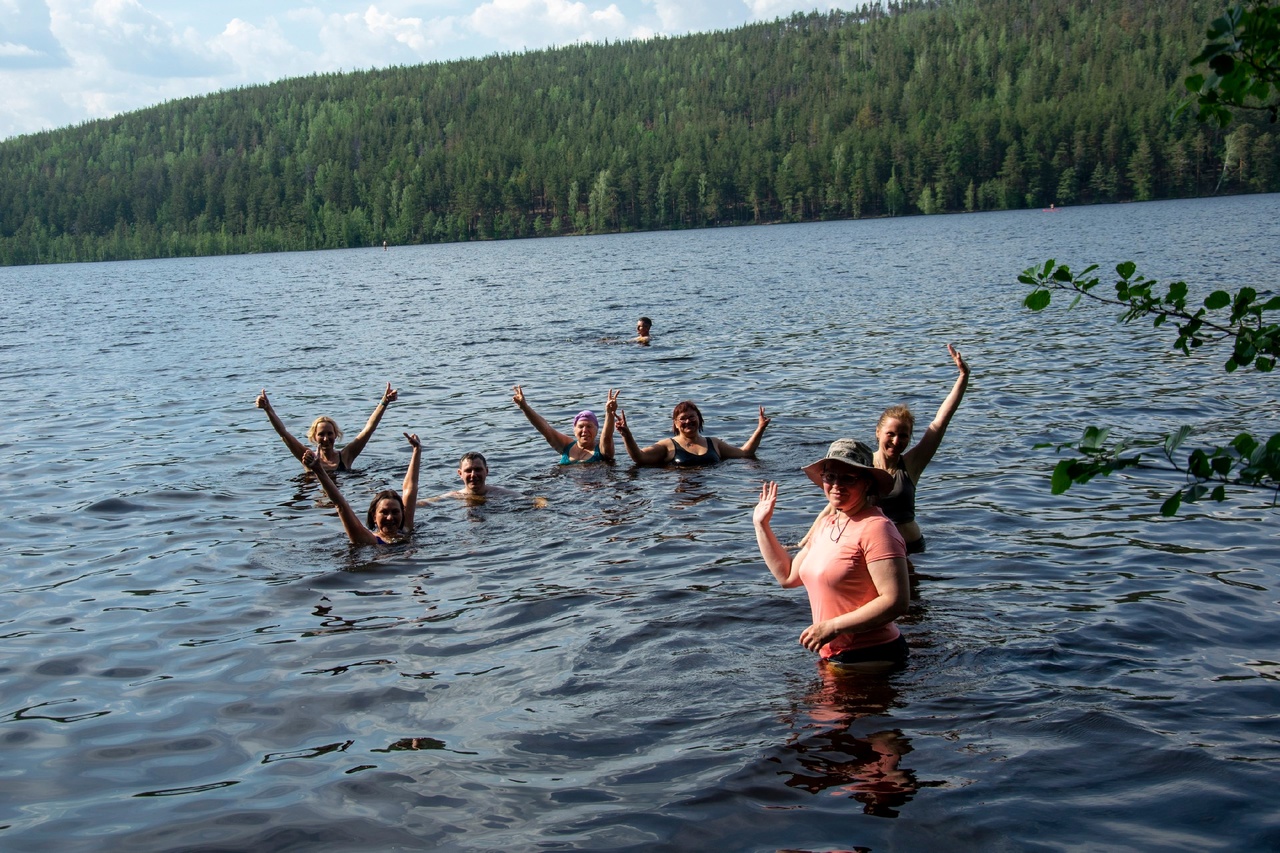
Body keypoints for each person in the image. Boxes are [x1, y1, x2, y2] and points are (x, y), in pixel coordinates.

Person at [753, 439, 911, 673]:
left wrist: (832, 627)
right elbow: (787, 576)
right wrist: (761, 524)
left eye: (848, 478)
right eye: (830, 477)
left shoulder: (877, 529)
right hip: (837, 654)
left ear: (867, 483)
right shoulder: (827, 523)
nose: (837, 485)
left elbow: (896, 601)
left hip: (872, 655)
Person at [302, 432, 420, 545]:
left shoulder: (405, 529)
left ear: (402, 514)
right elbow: (340, 504)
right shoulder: (367, 539)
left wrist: (417, 450)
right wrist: (318, 470)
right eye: (384, 512)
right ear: (374, 516)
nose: (390, 517)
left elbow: (410, 488)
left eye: (395, 512)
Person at [257, 382, 399, 472]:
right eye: (321, 434)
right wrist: (268, 409)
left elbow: (368, 429)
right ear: (314, 437)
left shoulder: (346, 456)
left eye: (329, 434)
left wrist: (384, 402)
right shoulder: (307, 457)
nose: (326, 438)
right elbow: (283, 433)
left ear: (336, 435)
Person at [615, 400, 770, 466]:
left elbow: (745, 453)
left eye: (691, 417)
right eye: (682, 419)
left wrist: (760, 428)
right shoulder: (668, 445)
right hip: (682, 496)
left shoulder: (714, 443)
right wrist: (627, 435)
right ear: (675, 423)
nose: (688, 422)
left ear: (699, 419)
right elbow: (640, 457)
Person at [512, 386, 617, 464]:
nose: (585, 430)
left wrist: (609, 413)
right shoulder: (567, 446)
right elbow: (545, 429)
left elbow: (607, 437)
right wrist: (525, 407)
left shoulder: (602, 449)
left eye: (589, 426)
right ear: (574, 430)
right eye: (580, 427)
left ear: (596, 430)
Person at [435, 452, 522, 501]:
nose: (473, 475)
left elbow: (529, 500)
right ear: (460, 474)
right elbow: (424, 503)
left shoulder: (501, 493)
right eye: (468, 471)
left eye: (478, 469)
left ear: (486, 471)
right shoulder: (453, 497)